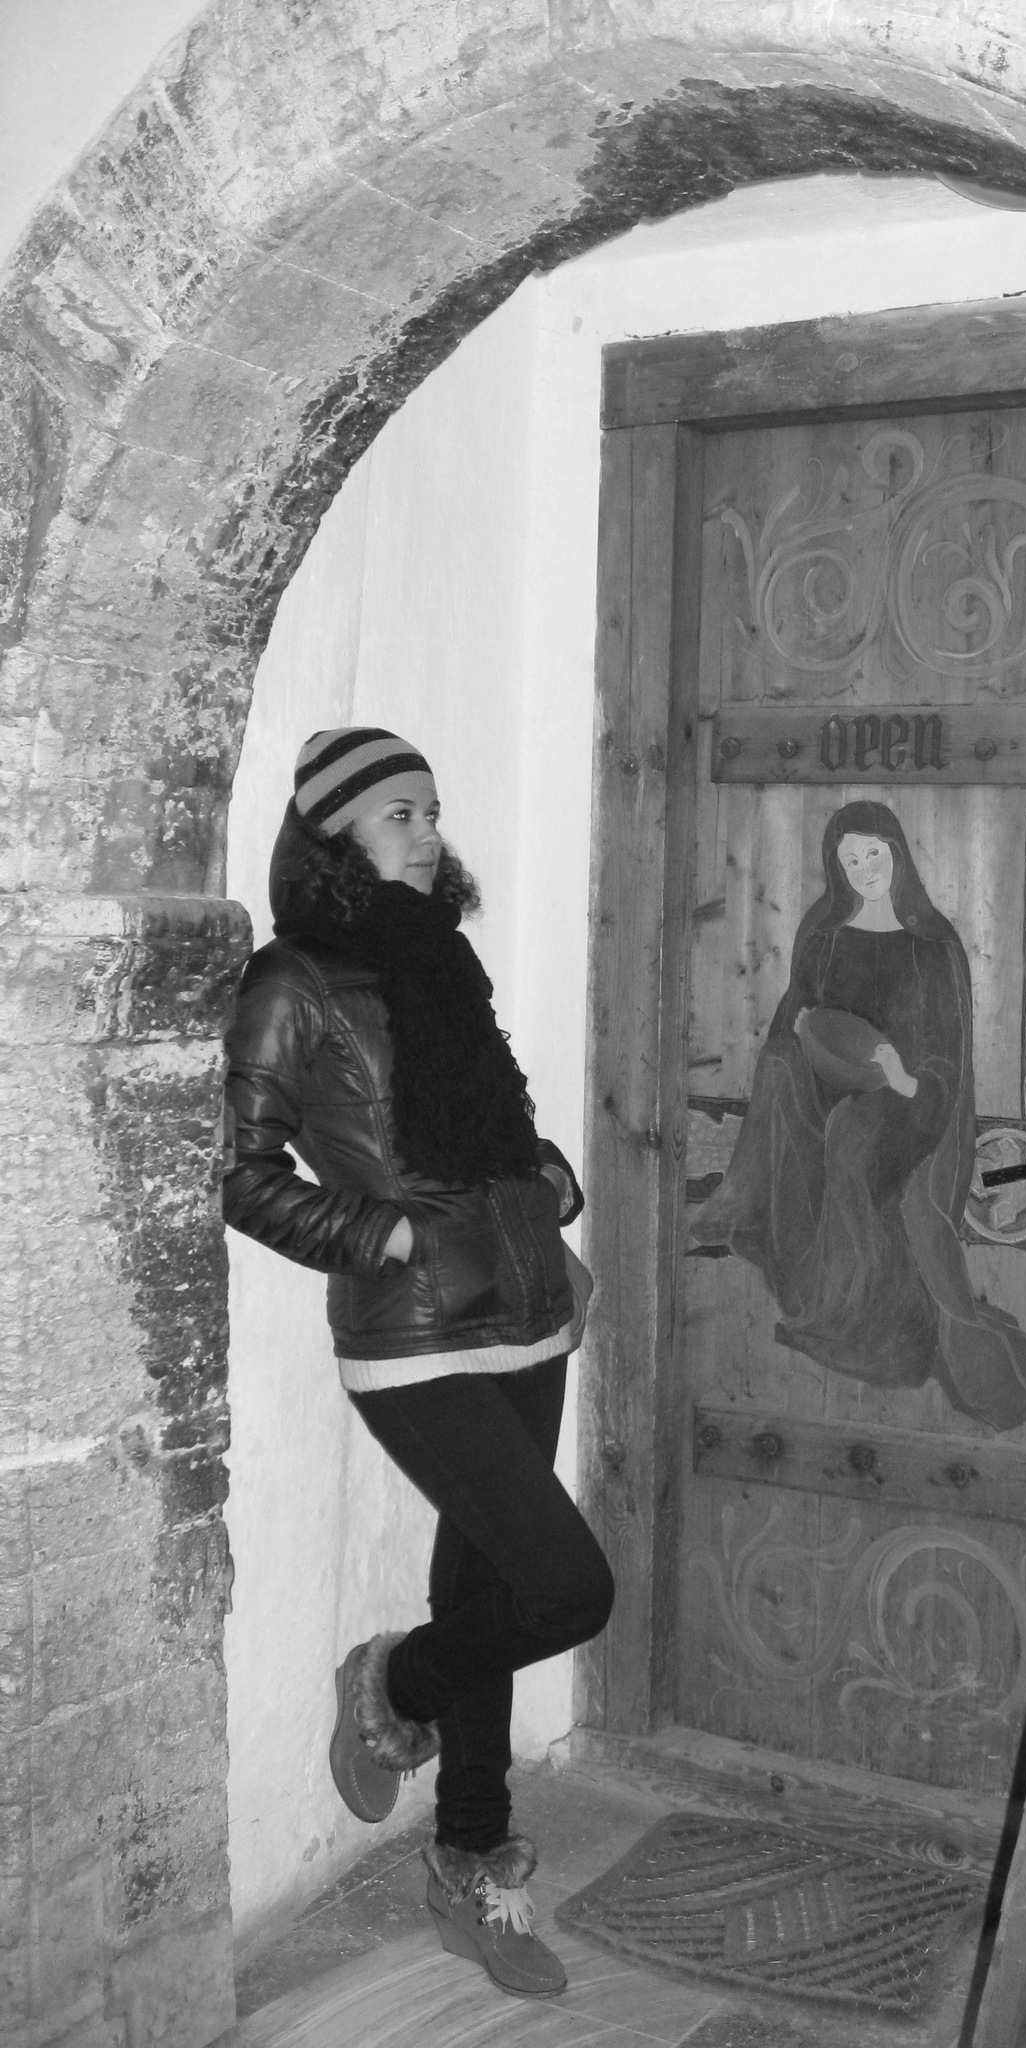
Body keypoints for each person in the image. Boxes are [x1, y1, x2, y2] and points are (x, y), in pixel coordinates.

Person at [222, 727, 613, 1998]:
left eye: (432, 809)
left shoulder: (438, 950)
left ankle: (469, 1859)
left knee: (492, 1584)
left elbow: (485, 1110)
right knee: (568, 1589)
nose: (428, 831)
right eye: (400, 812)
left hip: (527, 1303)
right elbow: (242, 1172)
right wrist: (375, 1233)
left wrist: (546, 1171)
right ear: (335, 832)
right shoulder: (291, 979)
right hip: (414, 1333)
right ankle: (394, 1680)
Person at [692, 799, 1026, 1431]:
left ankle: (872, 1325)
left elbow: (945, 1054)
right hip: (831, 1084)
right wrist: (803, 1029)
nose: (864, 869)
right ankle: (791, 1261)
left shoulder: (931, 948)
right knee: (782, 1071)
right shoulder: (826, 939)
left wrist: (905, 1079)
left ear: (896, 854)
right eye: (849, 860)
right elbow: (796, 1019)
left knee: (853, 1140)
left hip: (908, 1104)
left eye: (873, 854)